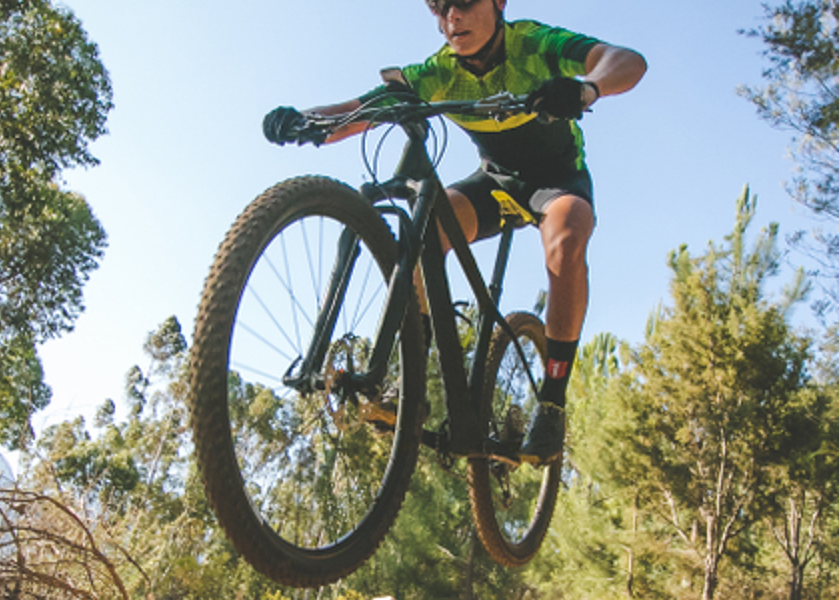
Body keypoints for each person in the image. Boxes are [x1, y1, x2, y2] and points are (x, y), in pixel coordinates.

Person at [262, 0, 646, 465]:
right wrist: (309, 121)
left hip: (556, 182)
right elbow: (365, 106)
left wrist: (587, 89)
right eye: (440, 9)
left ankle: (552, 401)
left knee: (566, 239)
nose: (452, 19)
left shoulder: (533, 43)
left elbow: (626, 61)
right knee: (424, 235)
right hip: (496, 183)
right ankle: (413, 385)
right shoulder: (440, 70)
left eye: (463, 3)